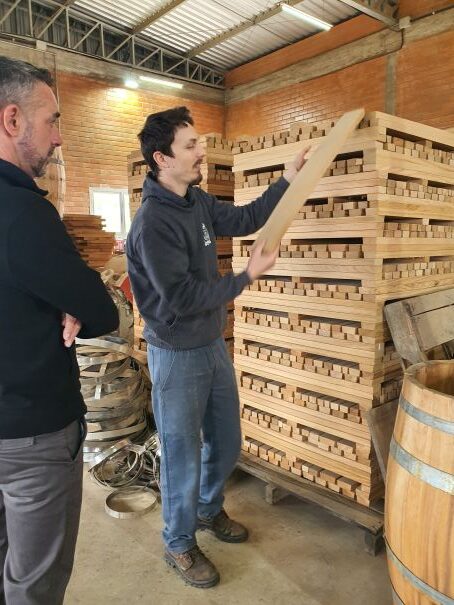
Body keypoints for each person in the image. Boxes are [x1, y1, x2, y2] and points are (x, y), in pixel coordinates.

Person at [126, 106, 308, 589]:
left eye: (199, 142)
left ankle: (207, 511)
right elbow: (182, 299)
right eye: (191, 145)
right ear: (162, 158)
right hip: (177, 352)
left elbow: (246, 216)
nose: (201, 151)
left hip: (210, 343)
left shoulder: (196, 201)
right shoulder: (153, 223)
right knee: (182, 453)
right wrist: (246, 276)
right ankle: (178, 542)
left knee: (226, 442)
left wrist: (286, 179)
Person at [0, 56, 119, 604]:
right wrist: (72, 301)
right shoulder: (23, 212)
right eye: (52, 120)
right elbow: (100, 308)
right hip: (31, 436)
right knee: (35, 584)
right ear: (12, 120)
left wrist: (57, 298)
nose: (60, 139)